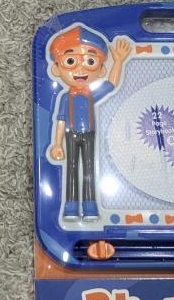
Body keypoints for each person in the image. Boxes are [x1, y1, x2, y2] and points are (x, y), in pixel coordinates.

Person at [47, 25, 130, 220]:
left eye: (90, 61)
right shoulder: (66, 97)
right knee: (72, 168)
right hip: (71, 135)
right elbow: (60, 121)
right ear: (56, 69)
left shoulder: (91, 95)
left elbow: (110, 85)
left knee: (89, 169)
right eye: (70, 61)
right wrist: (57, 144)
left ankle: (90, 206)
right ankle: (71, 207)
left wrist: (118, 61)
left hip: (89, 135)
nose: (80, 69)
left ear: (101, 69)